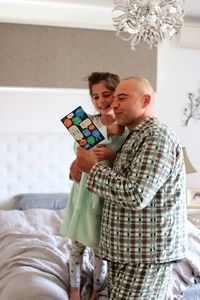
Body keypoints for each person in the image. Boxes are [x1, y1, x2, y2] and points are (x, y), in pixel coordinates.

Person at [75, 76, 188, 300]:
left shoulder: (156, 136)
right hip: (125, 251)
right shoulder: (129, 135)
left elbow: (136, 194)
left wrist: (93, 168)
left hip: (144, 254)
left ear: (146, 100)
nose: (113, 104)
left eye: (121, 98)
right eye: (112, 98)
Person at [60, 72, 129, 300]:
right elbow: (78, 152)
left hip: (105, 195)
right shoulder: (84, 122)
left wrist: (113, 152)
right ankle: (75, 287)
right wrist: (106, 132)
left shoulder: (125, 126)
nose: (101, 101)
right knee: (77, 245)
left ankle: (98, 290)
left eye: (106, 95)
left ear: (117, 94)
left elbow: (126, 160)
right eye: (95, 97)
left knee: (101, 249)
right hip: (83, 192)